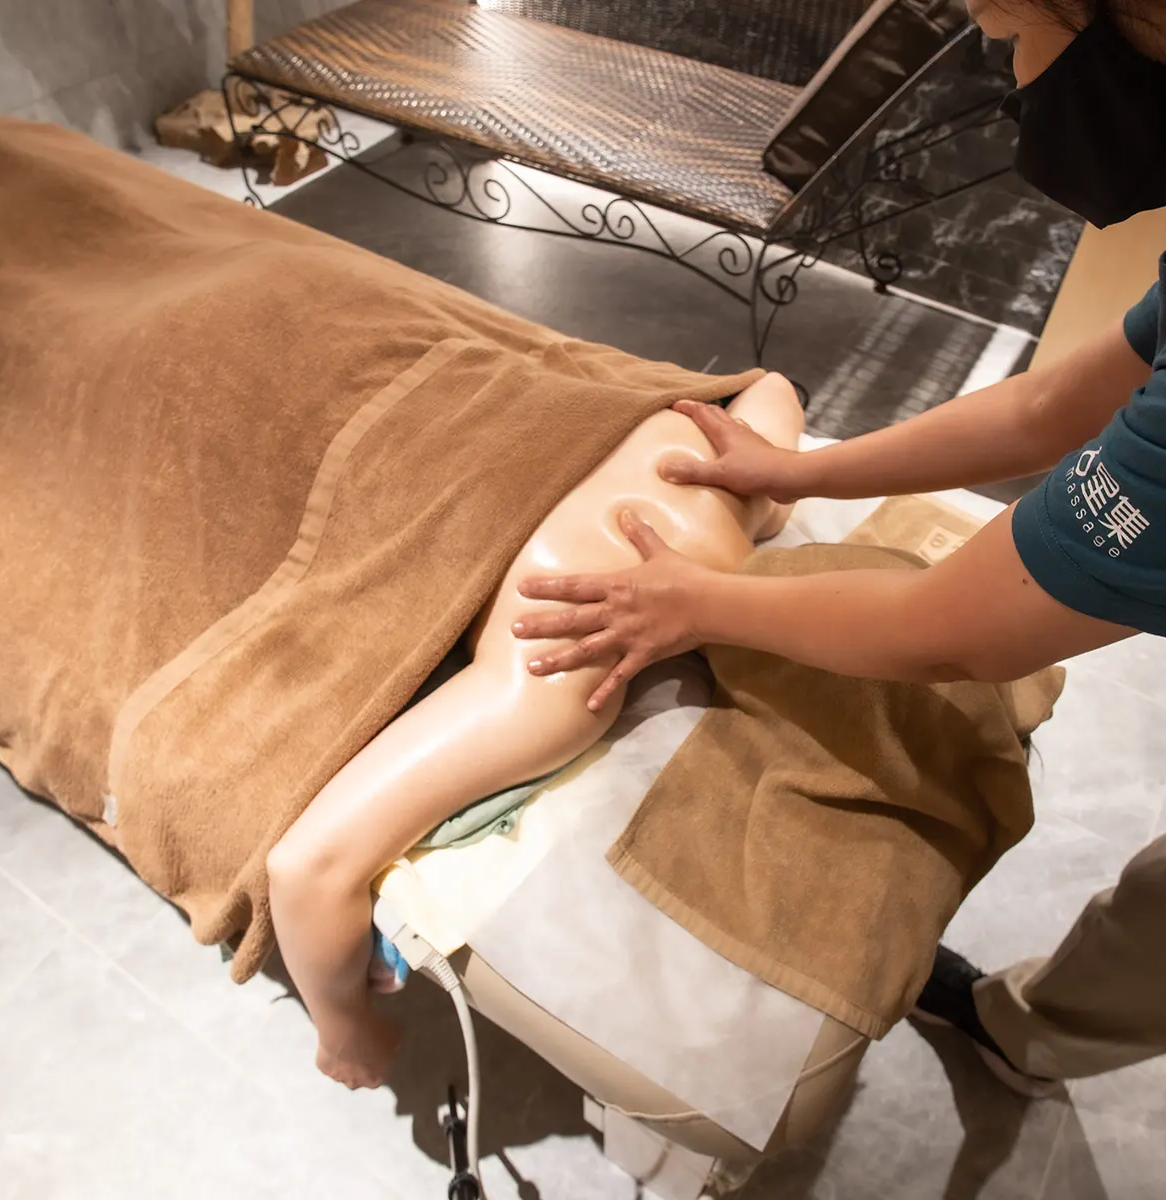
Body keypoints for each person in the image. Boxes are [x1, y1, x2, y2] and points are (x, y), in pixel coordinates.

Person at [511, 1, 1166, 1195]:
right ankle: (1026, 1028)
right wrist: (797, 470)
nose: (1011, 78)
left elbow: (955, 625)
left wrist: (688, 602)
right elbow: (1056, 407)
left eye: (1004, 30)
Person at [265, 371, 803, 1089]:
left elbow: (306, 869)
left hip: (547, 506)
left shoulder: (550, 665)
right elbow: (304, 871)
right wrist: (347, 1035)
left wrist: (341, 1031)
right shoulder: (754, 459)